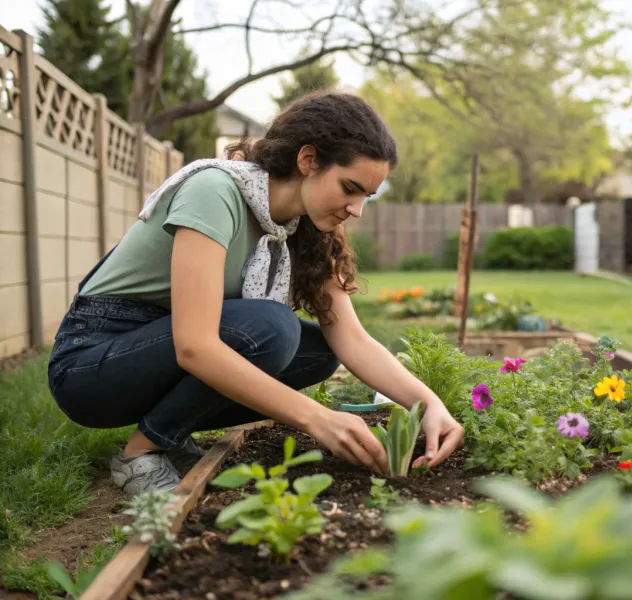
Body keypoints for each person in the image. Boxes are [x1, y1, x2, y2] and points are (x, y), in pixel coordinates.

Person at [47, 91, 464, 496]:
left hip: (156, 351)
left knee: (317, 351)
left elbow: (351, 338)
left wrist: (429, 404)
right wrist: (318, 419)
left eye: (366, 197)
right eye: (350, 188)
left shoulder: (304, 227)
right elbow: (194, 347)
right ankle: (141, 452)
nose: (357, 210)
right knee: (271, 329)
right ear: (308, 160)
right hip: (92, 364)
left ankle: (166, 433)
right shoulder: (215, 191)